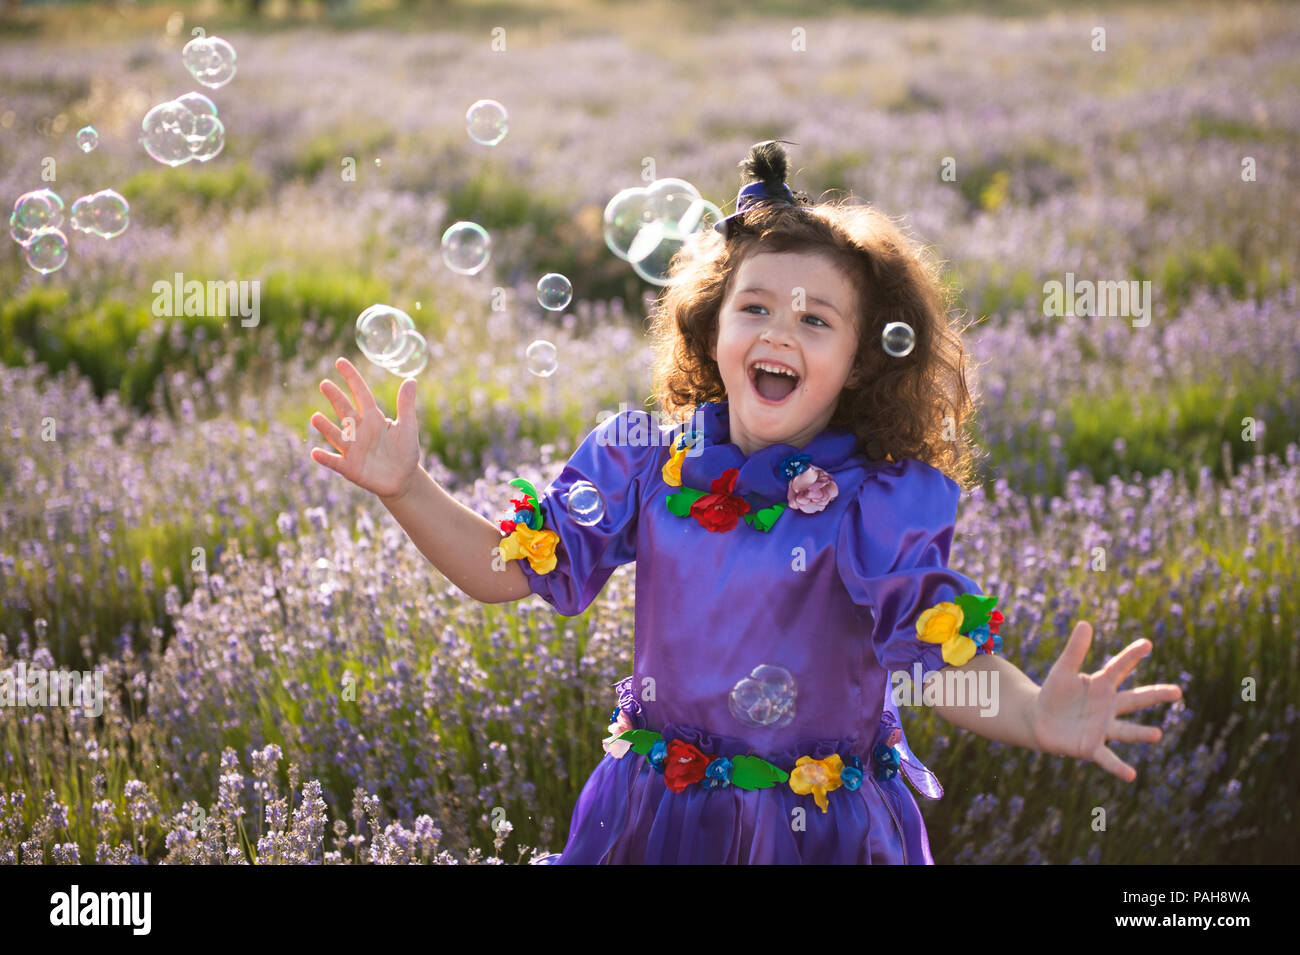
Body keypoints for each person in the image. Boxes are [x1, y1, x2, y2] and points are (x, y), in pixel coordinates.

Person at [309, 141, 1183, 864]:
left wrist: (1032, 711)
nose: (778, 331)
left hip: (820, 832)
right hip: (658, 819)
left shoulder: (876, 502)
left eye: (816, 320)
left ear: (860, 362)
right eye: (754, 306)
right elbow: (501, 571)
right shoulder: (644, 461)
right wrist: (406, 487)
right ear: (710, 329)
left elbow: (932, 661)